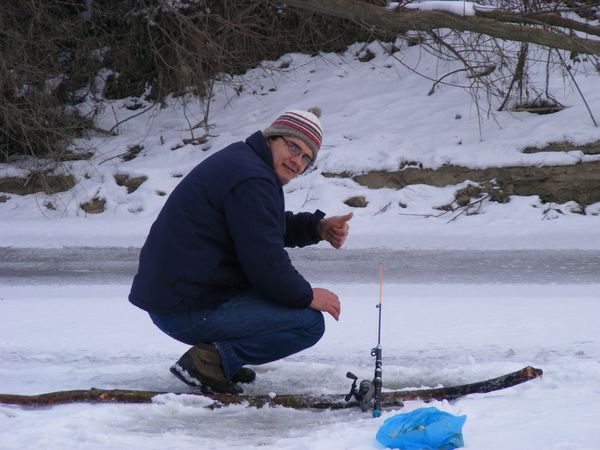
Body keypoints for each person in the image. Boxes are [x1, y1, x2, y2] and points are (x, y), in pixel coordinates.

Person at [129, 107, 353, 394]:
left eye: (306, 158)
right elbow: (265, 263)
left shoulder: (245, 164)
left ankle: (219, 359)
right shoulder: (252, 179)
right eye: (293, 147)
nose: (297, 161)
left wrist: (316, 227)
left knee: (287, 305)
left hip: (178, 297)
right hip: (183, 308)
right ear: (272, 138)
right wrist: (308, 295)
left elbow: (259, 226)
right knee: (307, 324)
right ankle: (211, 361)